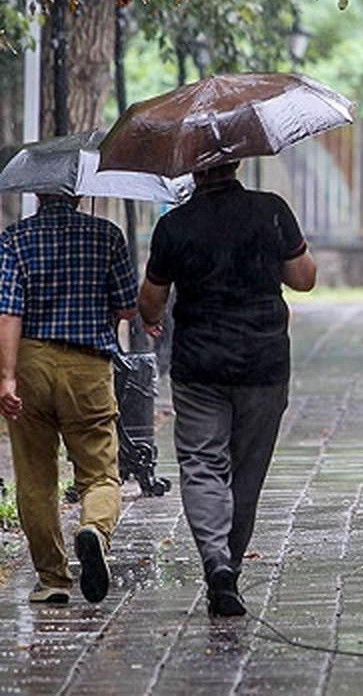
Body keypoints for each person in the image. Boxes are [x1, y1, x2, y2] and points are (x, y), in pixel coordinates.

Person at [137, 161, 316, 617]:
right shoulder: (271, 211)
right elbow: (304, 278)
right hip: (264, 363)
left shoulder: (174, 225)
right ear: (237, 162)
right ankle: (229, 564)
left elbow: (151, 301)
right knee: (246, 473)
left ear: (192, 173)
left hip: (199, 364)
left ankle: (215, 560)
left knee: (201, 463)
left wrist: (154, 320)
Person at [0, 192, 139, 606]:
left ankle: (53, 580)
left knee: (36, 479)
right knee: (100, 473)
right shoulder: (107, 235)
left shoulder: (14, 238)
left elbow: (8, 311)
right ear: (78, 192)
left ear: (37, 193)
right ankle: (94, 529)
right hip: (88, 368)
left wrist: (6, 377)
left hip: (30, 364)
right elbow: (129, 308)